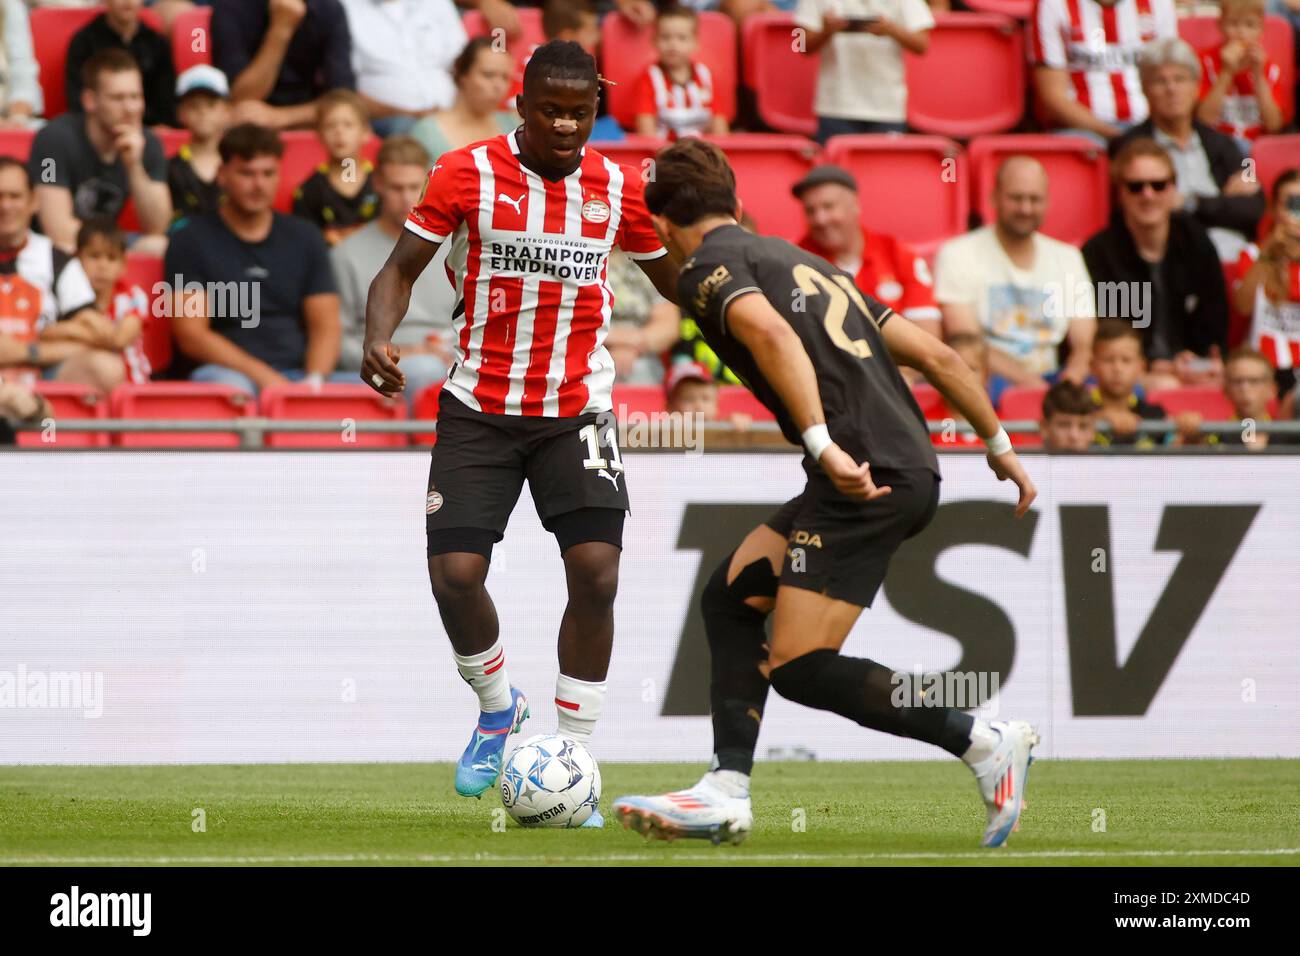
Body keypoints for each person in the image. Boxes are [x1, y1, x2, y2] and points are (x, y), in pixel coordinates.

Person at [612, 138, 1039, 847]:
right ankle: (726, 789)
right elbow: (937, 355)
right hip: (895, 467)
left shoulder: (707, 270)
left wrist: (820, 443)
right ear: (740, 205)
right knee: (731, 596)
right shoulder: (803, 263)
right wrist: (1001, 448)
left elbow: (772, 335)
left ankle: (982, 740)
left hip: (860, 473)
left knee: (802, 666)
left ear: (660, 227)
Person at [361, 41, 681, 818]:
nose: (567, 124)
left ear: (596, 110)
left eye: (580, 110)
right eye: (551, 109)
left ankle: (574, 755)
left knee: (598, 572)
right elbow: (398, 270)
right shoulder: (464, 173)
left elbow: (681, 283)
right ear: (522, 105)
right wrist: (378, 336)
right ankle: (499, 706)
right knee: (456, 577)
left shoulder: (617, 187)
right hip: (480, 405)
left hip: (579, 409)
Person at [166, 123, 348, 393]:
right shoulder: (188, 240)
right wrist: (269, 381)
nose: (258, 184)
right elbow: (192, 336)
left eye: (268, 173)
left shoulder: (305, 236)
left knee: (378, 393)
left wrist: (314, 383)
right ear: (222, 175)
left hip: (298, 375)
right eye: (246, 173)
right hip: (226, 374)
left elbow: (326, 325)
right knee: (232, 390)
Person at [935, 156, 1096, 387]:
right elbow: (967, 341)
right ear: (994, 197)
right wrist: (1034, 387)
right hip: (988, 378)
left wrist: (1074, 375)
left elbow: (1084, 343)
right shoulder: (958, 253)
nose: (1025, 208)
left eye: (1035, 199)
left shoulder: (1068, 256)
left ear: (1048, 202)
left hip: (1055, 376)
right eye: (1016, 198)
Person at [1082, 138, 1228, 389]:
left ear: (1173, 190)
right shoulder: (1099, 253)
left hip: (1191, 368)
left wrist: (1200, 361)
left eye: (1159, 185)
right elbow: (1106, 334)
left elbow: (1214, 320)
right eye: (1136, 187)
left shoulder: (1196, 242)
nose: (1148, 195)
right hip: (1127, 373)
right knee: (1166, 385)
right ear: (1120, 194)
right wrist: (1153, 364)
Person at [1111, 38, 1264, 255]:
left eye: (1180, 79)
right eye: (1160, 81)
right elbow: (1137, 212)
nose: (1171, 89)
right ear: (1145, 90)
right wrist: (1223, 203)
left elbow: (1254, 207)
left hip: (1235, 253)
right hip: (1173, 256)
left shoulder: (1227, 143)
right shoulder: (1127, 146)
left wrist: (1191, 202)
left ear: (1196, 87)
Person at [332, 136, 454, 407]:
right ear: (377, 185)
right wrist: (400, 355)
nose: (406, 198)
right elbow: (337, 341)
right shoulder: (346, 254)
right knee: (426, 371)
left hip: (451, 360)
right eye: (396, 188)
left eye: (414, 187)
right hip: (384, 366)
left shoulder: (453, 248)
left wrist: (449, 353)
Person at [28, 48, 172, 255]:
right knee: (65, 248)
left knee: (162, 247)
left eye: (136, 96)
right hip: (51, 249)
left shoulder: (148, 142)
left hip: (106, 244)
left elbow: (158, 226)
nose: (130, 108)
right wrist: (114, 246)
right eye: (118, 98)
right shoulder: (51, 140)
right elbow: (56, 228)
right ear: (90, 101)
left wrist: (134, 166)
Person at [793, 164, 939, 338]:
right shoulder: (795, 262)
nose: (820, 219)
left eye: (828, 207)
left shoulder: (898, 254)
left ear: (854, 205)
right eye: (810, 211)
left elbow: (927, 338)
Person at [0, 158, 98, 388]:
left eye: (14, 196)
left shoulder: (56, 259)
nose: (5, 206)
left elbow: (90, 338)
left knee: (103, 367)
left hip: (42, 377)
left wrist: (26, 352)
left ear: (34, 202)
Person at [1030, 0, 1178, 142]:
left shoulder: (1159, 3)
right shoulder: (1053, 4)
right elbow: (1053, 97)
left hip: (1148, 128)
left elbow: (1171, 78)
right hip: (1082, 131)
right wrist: (1117, 136)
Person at [795, 0, 933, 143]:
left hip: (887, 105)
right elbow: (802, 47)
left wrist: (891, 30)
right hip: (836, 104)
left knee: (883, 165)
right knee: (835, 164)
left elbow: (922, 45)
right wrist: (826, 31)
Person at [40, 218, 152, 392]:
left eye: (111, 258)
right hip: (85, 387)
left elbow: (119, 339)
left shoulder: (133, 296)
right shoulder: (65, 298)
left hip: (133, 388)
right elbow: (44, 334)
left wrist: (73, 331)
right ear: (75, 260)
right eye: (94, 256)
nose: (102, 266)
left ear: (123, 264)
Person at [213, 0, 355, 131]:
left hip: (311, 124)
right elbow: (241, 98)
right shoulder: (230, 6)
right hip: (246, 127)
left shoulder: (329, 9)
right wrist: (281, 28)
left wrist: (279, 117)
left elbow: (344, 100)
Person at [338, 0, 467, 137]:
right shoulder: (344, 7)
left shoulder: (437, 3)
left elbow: (465, 64)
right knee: (408, 130)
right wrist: (408, 113)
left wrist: (458, 108)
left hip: (451, 110)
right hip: (388, 120)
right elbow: (344, 90)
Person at [1231, 169, 1300, 393]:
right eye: (1290, 204)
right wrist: (1270, 252)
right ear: (1273, 208)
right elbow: (1242, 306)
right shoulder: (1252, 254)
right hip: (1263, 372)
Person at [65, 0, 177, 128]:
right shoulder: (83, 43)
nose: (128, 2)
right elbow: (77, 100)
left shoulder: (158, 44)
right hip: (97, 131)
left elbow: (167, 103)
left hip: (150, 130)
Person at [409, 38, 519, 162]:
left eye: (505, 78)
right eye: (488, 75)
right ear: (462, 75)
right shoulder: (428, 132)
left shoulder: (514, 126)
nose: (499, 86)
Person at [291, 90, 378, 246]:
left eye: (348, 125)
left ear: (366, 132)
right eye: (330, 126)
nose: (339, 132)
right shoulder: (308, 191)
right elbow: (304, 245)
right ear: (319, 134)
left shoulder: (383, 184)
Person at [1195, 0, 1285, 149]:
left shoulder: (1270, 69)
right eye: (1233, 24)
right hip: (1217, 145)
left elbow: (1274, 125)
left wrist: (1258, 76)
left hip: (1257, 147)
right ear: (1220, 25)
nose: (1241, 33)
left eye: (1250, 25)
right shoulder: (1204, 62)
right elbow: (1204, 120)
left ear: (1261, 29)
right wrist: (1227, 72)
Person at [633, 5, 728, 140]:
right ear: (654, 41)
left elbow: (719, 124)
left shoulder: (705, 75)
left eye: (681, 38)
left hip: (702, 155)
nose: (673, 44)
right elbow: (646, 129)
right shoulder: (650, 77)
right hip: (663, 155)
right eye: (665, 37)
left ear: (695, 43)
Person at [1181, 347, 1297, 447]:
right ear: (1226, 390)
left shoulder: (1290, 437)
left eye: (1254, 381)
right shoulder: (1214, 437)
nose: (1245, 389)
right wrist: (1190, 437)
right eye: (1237, 381)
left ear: (1272, 389)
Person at [1088, 319, 1175, 447]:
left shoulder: (1154, 414)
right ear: (1092, 366)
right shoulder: (1079, 409)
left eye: (1126, 360)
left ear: (1141, 367)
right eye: (1108, 360)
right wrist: (1099, 418)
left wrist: (1189, 431)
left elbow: (1176, 449)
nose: (1117, 369)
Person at [168, 65, 232, 230]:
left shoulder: (239, 163)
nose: (202, 112)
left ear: (227, 110)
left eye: (211, 105)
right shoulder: (170, 167)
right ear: (180, 113)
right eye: (193, 105)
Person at [605, 249, 680, 384]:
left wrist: (631, 347)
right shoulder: (579, 261)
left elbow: (669, 327)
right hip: (590, 353)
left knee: (641, 368)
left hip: (642, 357)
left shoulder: (648, 263)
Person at [1, 0, 43, 127]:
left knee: (52, 137)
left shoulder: (9, 7)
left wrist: (18, 117)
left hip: (8, 116)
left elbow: (22, 69)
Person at [1040, 379, 1097, 450]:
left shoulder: (1107, 461)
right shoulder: (1024, 460)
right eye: (1064, 425)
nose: (1074, 436)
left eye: (1083, 426)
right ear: (1044, 428)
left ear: (1093, 431)